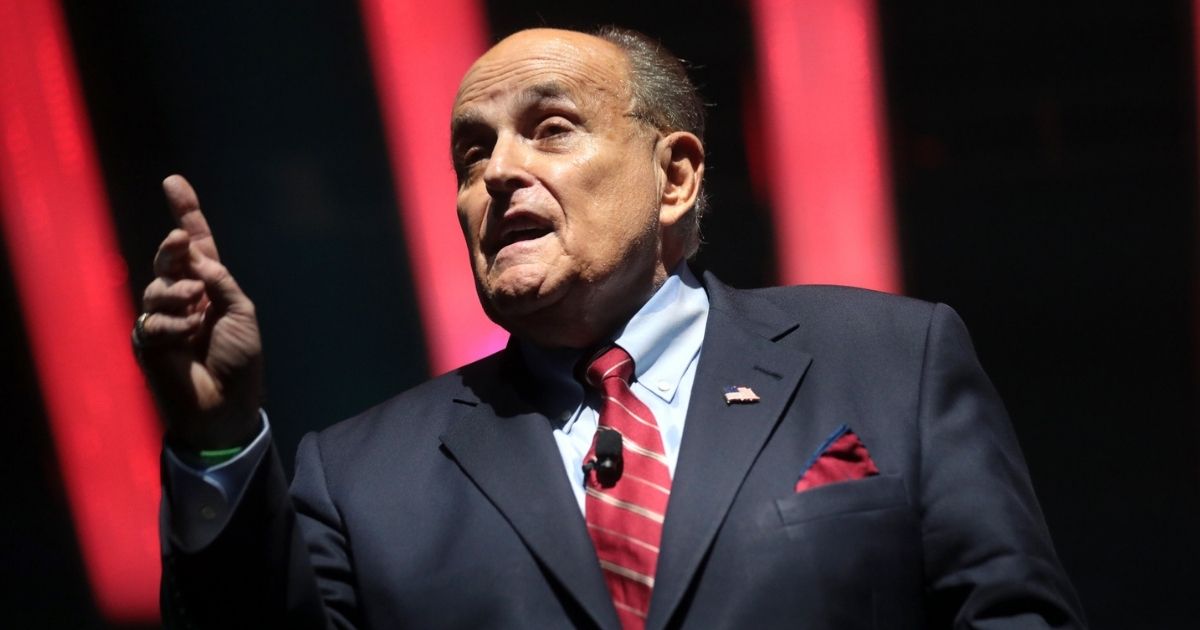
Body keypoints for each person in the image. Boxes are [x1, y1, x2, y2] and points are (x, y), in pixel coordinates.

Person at [137, 27, 1086, 629]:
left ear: (674, 176)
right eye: (473, 153)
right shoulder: (360, 477)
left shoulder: (889, 362)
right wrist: (216, 438)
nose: (496, 174)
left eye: (549, 128)